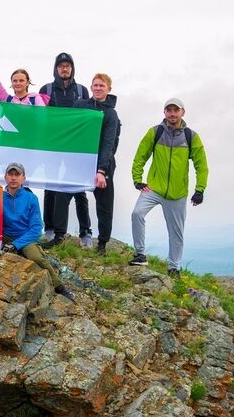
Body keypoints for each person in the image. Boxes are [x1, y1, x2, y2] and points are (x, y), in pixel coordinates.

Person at [129, 98, 209, 277]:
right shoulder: (155, 132)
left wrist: (200, 189)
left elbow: (201, 165)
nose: (172, 114)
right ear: (164, 112)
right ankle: (140, 255)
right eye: (169, 110)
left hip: (177, 193)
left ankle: (174, 267)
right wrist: (137, 179)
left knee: (176, 232)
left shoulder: (191, 136)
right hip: (154, 188)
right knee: (137, 214)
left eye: (176, 110)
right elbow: (140, 156)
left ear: (182, 112)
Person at [2, 162, 75, 302]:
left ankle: (60, 287)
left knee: (36, 258)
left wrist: (16, 244)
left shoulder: (31, 198)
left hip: (25, 237)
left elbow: (36, 228)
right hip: (5, 235)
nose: (13, 178)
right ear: (5, 177)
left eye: (17, 174)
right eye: (10, 174)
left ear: (23, 178)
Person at [40, 53, 91, 248]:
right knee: (50, 186)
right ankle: (50, 228)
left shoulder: (81, 90)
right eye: (61, 66)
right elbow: (39, 116)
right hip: (52, 146)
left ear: (72, 68)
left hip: (76, 148)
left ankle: (85, 232)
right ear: (56, 68)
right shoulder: (47, 89)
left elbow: (89, 119)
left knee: (79, 189)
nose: (64, 69)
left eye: (67, 65)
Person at [73, 73, 120, 255]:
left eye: (102, 85)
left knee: (104, 203)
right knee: (67, 195)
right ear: (91, 88)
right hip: (80, 160)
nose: (98, 88)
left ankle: (102, 243)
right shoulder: (80, 106)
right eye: (95, 85)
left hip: (104, 162)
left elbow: (109, 143)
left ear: (109, 89)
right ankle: (62, 234)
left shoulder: (111, 113)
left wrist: (101, 170)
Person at [0, 39, 48, 106]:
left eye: (21, 80)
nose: (18, 83)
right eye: (15, 81)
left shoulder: (35, 99)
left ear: (27, 82)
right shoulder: (6, 100)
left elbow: (42, 115)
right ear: (12, 83)